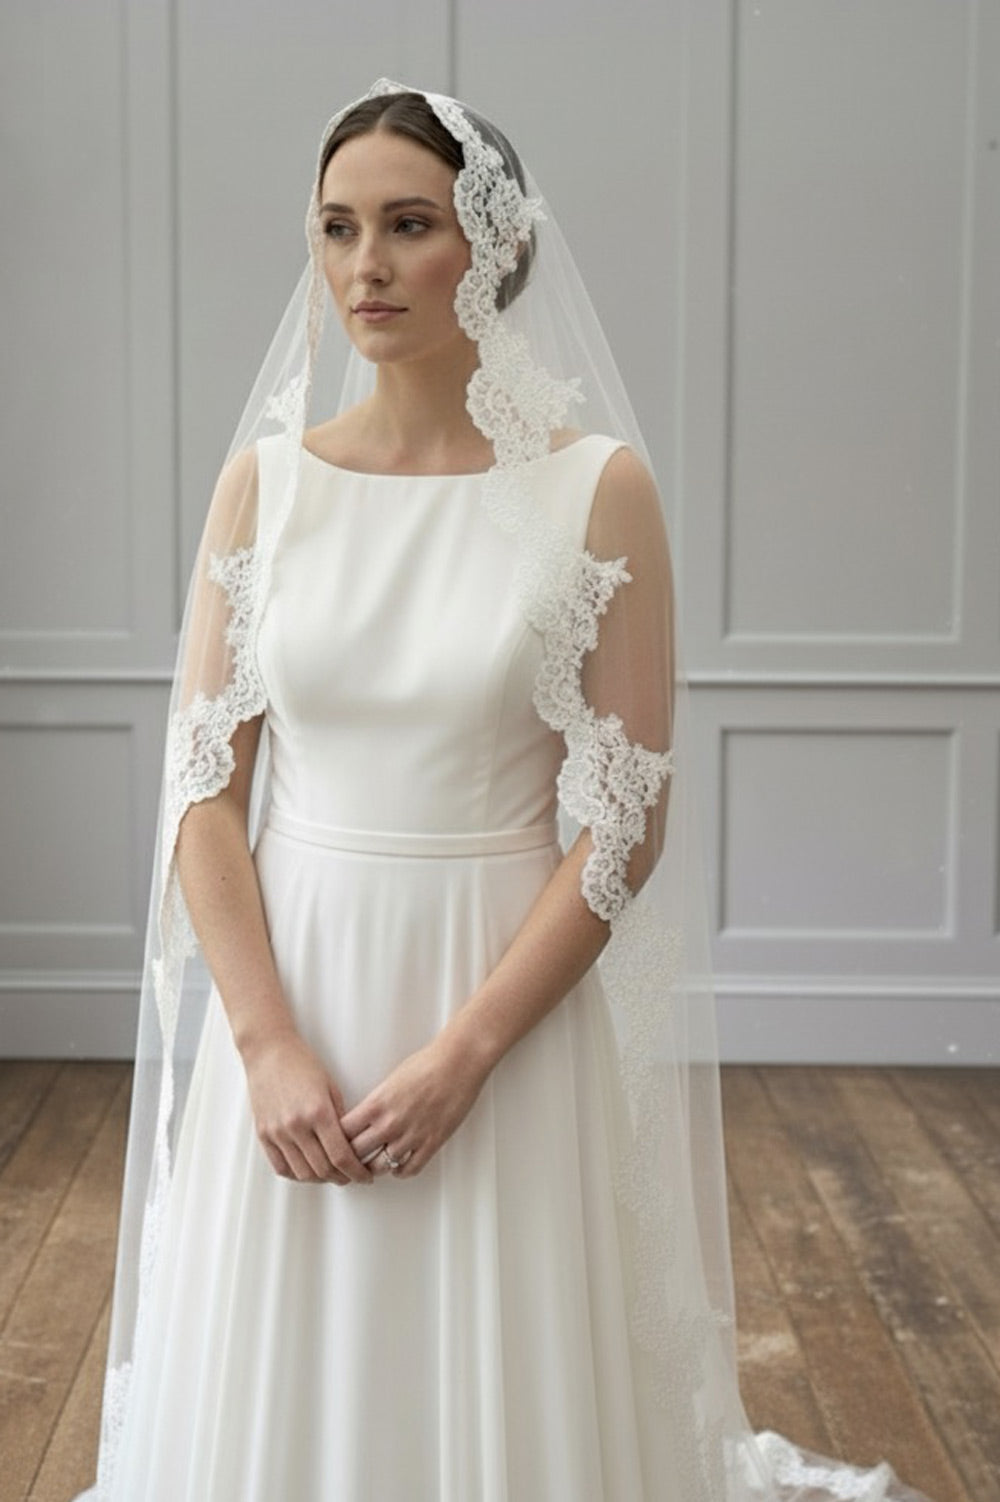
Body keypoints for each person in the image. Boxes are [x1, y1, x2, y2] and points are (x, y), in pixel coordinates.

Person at [76, 81, 931, 1501]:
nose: (366, 263)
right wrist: (268, 1042)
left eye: (409, 225)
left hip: (499, 1004)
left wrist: (470, 1050)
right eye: (339, 227)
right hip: (292, 993)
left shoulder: (598, 490)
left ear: (492, 245)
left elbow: (624, 817)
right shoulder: (264, 490)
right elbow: (203, 788)